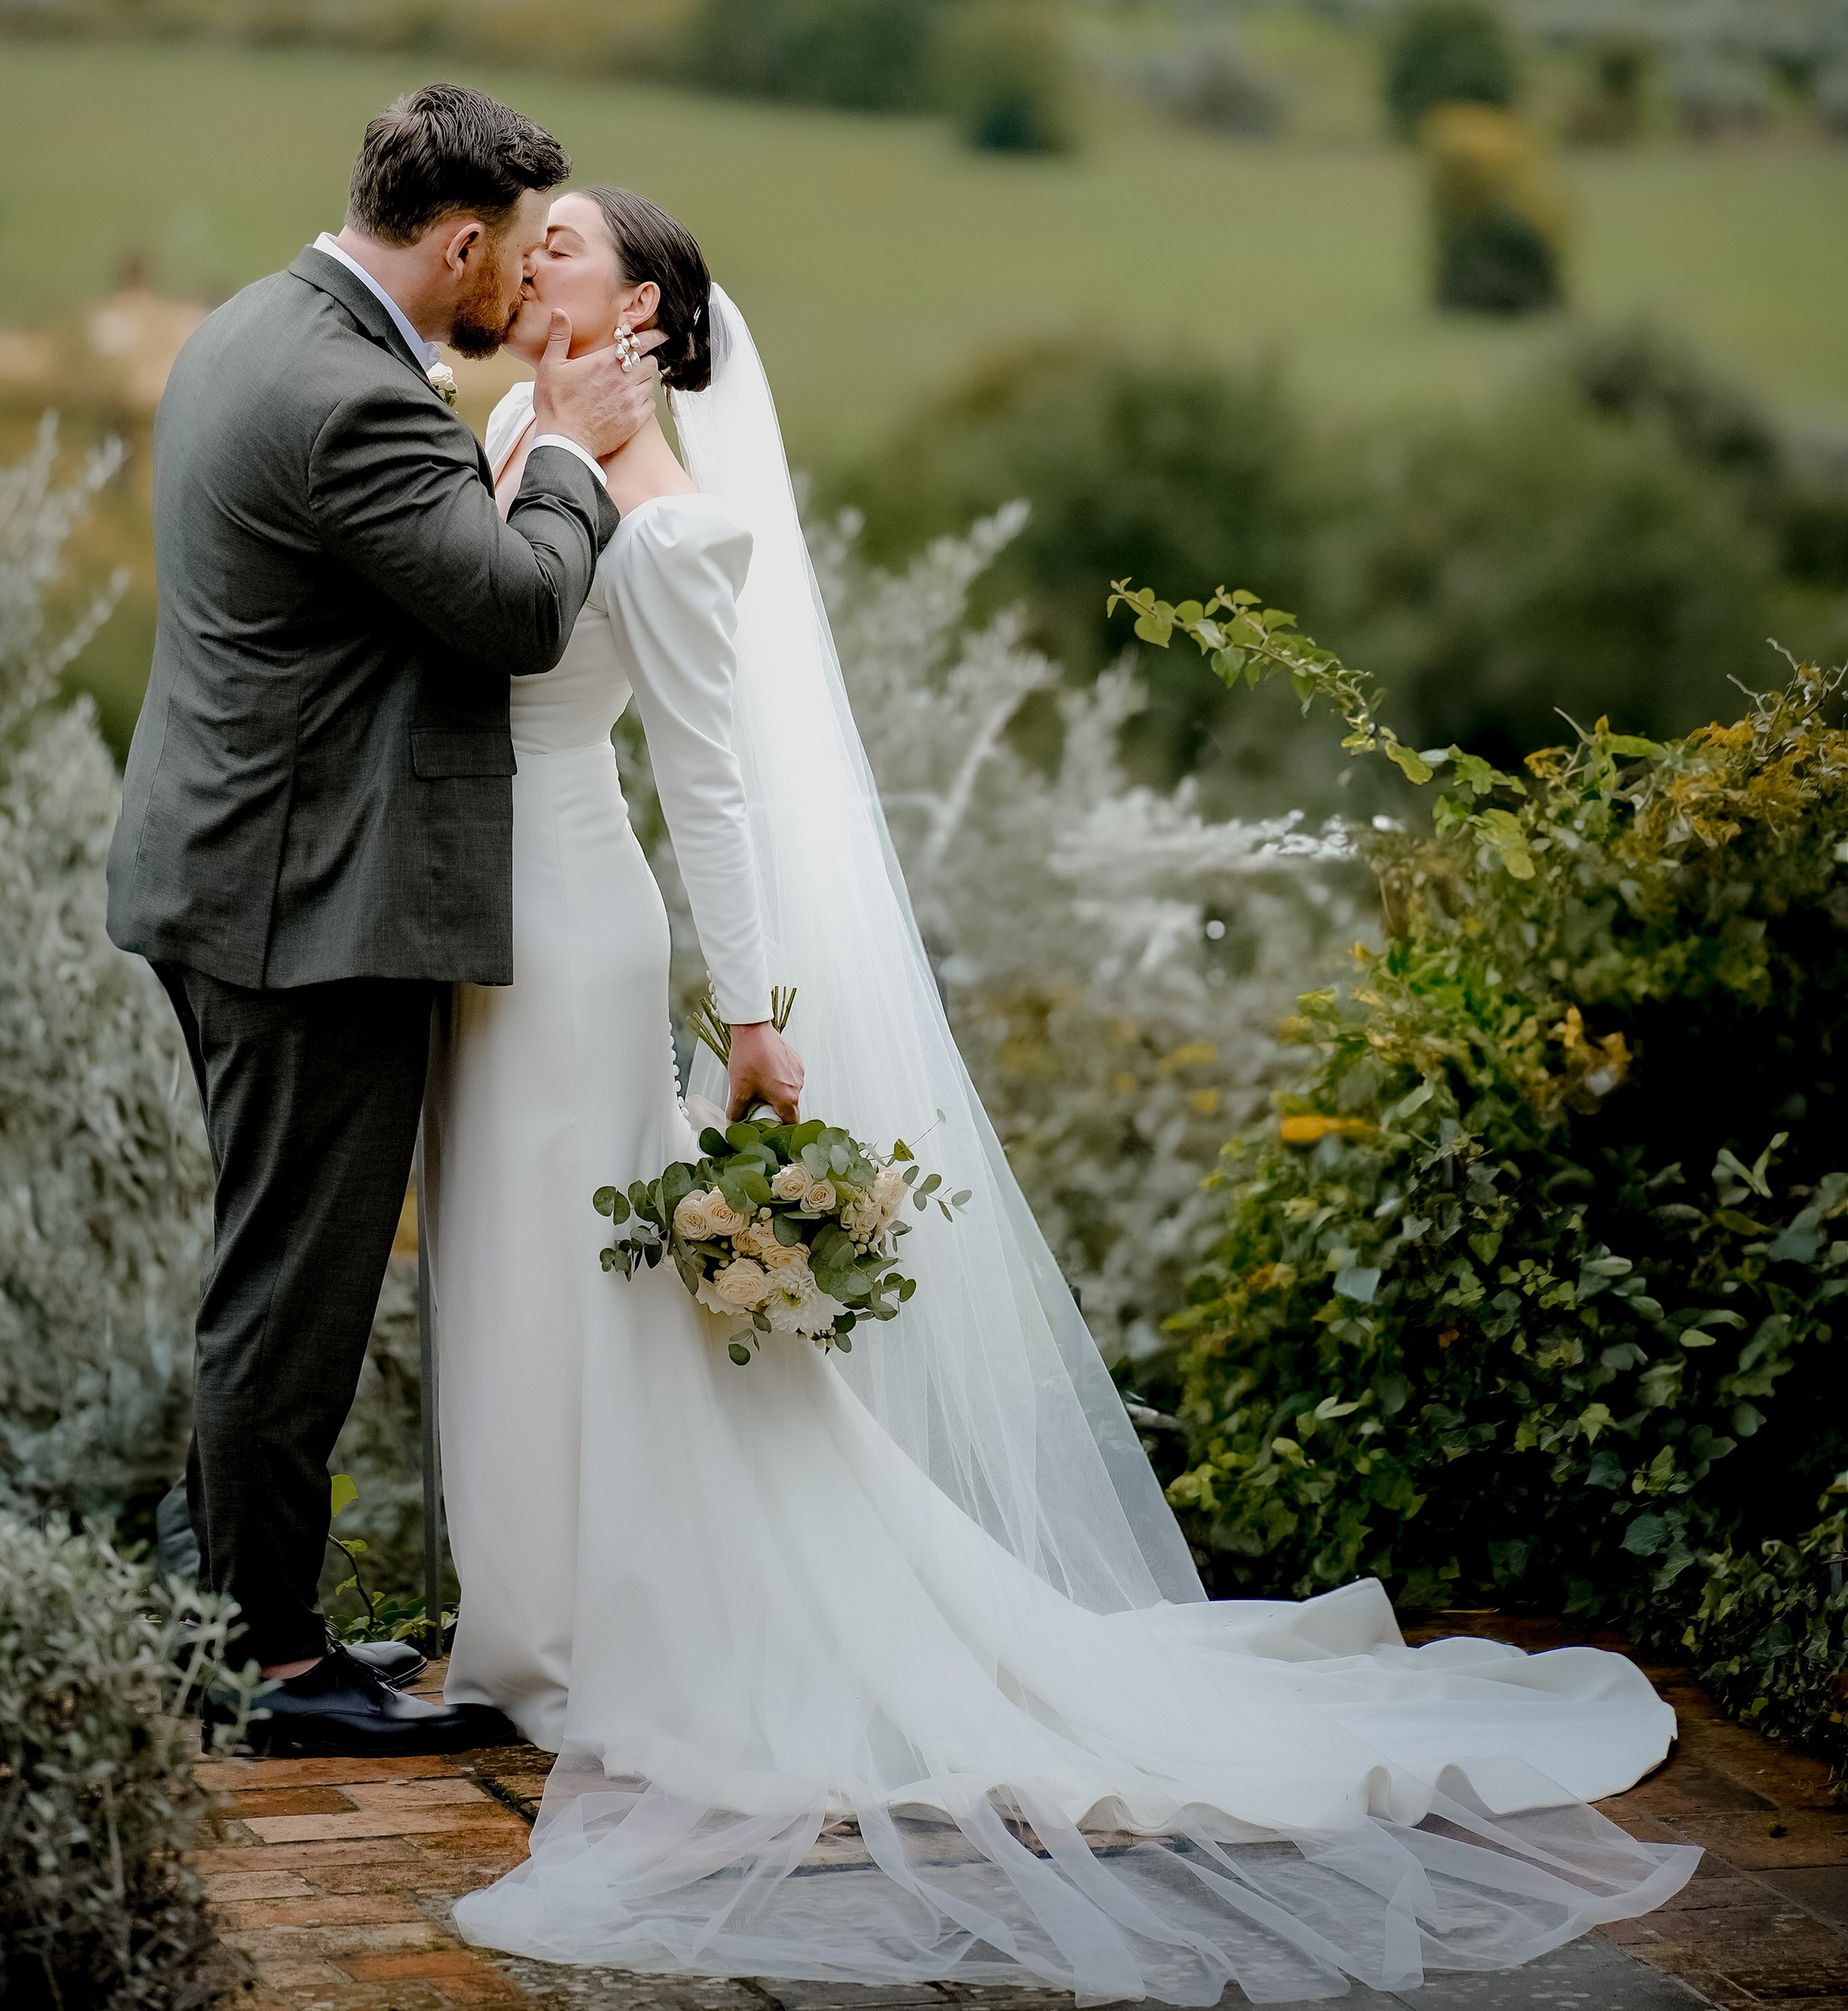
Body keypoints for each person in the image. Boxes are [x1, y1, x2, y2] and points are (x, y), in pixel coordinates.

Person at [430, 185, 1698, 2004]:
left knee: (576, 1267)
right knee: (500, 1261)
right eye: (529, 234)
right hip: (480, 923)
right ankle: (517, 1620)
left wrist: (761, 1016)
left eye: (564, 240)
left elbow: (709, 785)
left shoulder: (679, 526)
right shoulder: (507, 429)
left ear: (643, 309)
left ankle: (586, 1637)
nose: (531, 252)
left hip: (584, 933)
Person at [107, 85, 657, 1759]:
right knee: (293, 1287)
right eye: (509, 269)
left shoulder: (245, 329)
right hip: (304, 904)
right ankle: (268, 1665)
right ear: (464, 242)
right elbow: (507, 608)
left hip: (228, 868)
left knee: (263, 1264)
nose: (513, 311)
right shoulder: (356, 399)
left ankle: (213, 1610)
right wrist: (561, 443)